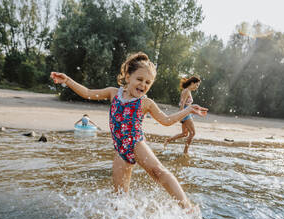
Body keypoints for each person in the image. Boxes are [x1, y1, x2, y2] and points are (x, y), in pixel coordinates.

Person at [50, 52, 207, 210]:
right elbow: (88, 93)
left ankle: (187, 206)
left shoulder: (146, 103)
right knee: (119, 198)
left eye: (148, 82)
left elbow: (166, 120)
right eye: (139, 79)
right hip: (120, 150)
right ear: (127, 77)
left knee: (159, 172)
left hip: (137, 145)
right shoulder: (113, 93)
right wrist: (67, 80)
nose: (143, 85)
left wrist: (188, 110)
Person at [164, 76, 201, 154]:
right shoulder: (186, 91)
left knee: (184, 134)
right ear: (192, 83)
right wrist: (180, 115)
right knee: (193, 133)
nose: (197, 87)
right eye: (197, 85)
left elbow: (186, 104)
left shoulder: (187, 91)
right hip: (185, 114)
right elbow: (182, 104)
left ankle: (168, 140)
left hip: (186, 113)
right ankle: (185, 151)